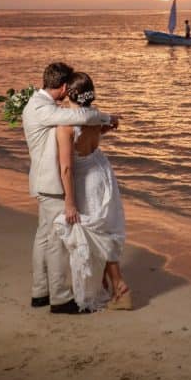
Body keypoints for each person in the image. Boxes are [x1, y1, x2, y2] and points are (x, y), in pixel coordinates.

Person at [22, 62, 119, 314]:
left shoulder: (36, 103)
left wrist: (100, 128)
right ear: (64, 86)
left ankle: (39, 292)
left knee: (43, 238)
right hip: (52, 182)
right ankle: (60, 298)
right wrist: (107, 118)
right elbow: (82, 116)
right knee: (56, 242)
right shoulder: (45, 110)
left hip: (41, 180)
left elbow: (77, 129)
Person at [54, 72, 131, 312]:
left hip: (85, 178)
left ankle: (119, 286)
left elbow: (66, 166)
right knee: (103, 228)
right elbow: (95, 133)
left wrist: (69, 202)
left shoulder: (66, 125)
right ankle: (110, 284)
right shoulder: (95, 115)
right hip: (103, 171)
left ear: (69, 93)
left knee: (94, 232)